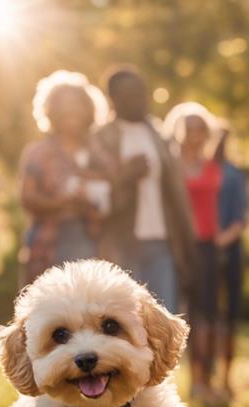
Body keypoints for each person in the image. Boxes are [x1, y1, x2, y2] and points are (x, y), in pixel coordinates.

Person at [95, 67, 197, 313]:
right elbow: (95, 193)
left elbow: (176, 194)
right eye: (130, 94)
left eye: (141, 93)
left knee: (164, 316)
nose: (139, 100)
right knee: (125, 317)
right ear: (114, 98)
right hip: (121, 243)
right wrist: (126, 176)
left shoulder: (158, 135)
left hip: (162, 241)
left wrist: (186, 241)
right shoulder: (101, 137)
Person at [19, 70, 113, 285]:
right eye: (64, 105)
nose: (71, 110)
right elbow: (27, 198)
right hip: (48, 240)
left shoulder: (100, 152)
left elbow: (111, 199)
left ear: (88, 109)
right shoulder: (39, 152)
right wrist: (64, 202)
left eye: (77, 104)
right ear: (51, 110)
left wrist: (95, 204)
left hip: (94, 240)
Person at [164, 102, 224, 403]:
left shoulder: (213, 165)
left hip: (208, 247)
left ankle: (204, 380)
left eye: (201, 129)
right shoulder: (171, 167)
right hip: (178, 245)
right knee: (180, 311)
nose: (196, 135)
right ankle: (182, 379)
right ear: (180, 131)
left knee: (207, 314)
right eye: (190, 128)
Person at [214, 129, 248, 398]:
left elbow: (240, 219)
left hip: (229, 252)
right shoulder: (193, 172)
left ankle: (225, 378)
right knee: (206, 318)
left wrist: (220, 241)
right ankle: (208, 376)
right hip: (202, 255)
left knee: (229, 319)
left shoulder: (234, 175)